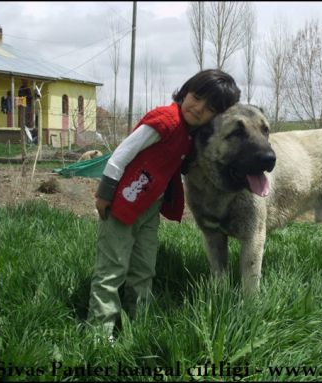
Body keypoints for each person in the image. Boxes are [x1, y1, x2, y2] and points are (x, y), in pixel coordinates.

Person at [87, 69, 241, 340]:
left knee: (144, 267)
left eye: (210, 108)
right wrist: (105, 193)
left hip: (147, 209)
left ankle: (137, 322)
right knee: (112, 269)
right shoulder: (165, 121)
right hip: (121, 205)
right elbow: (121, 154)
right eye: (197, 97)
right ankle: (99, 333)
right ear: (186, 91)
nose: (198, 108)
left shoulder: (188, 133)